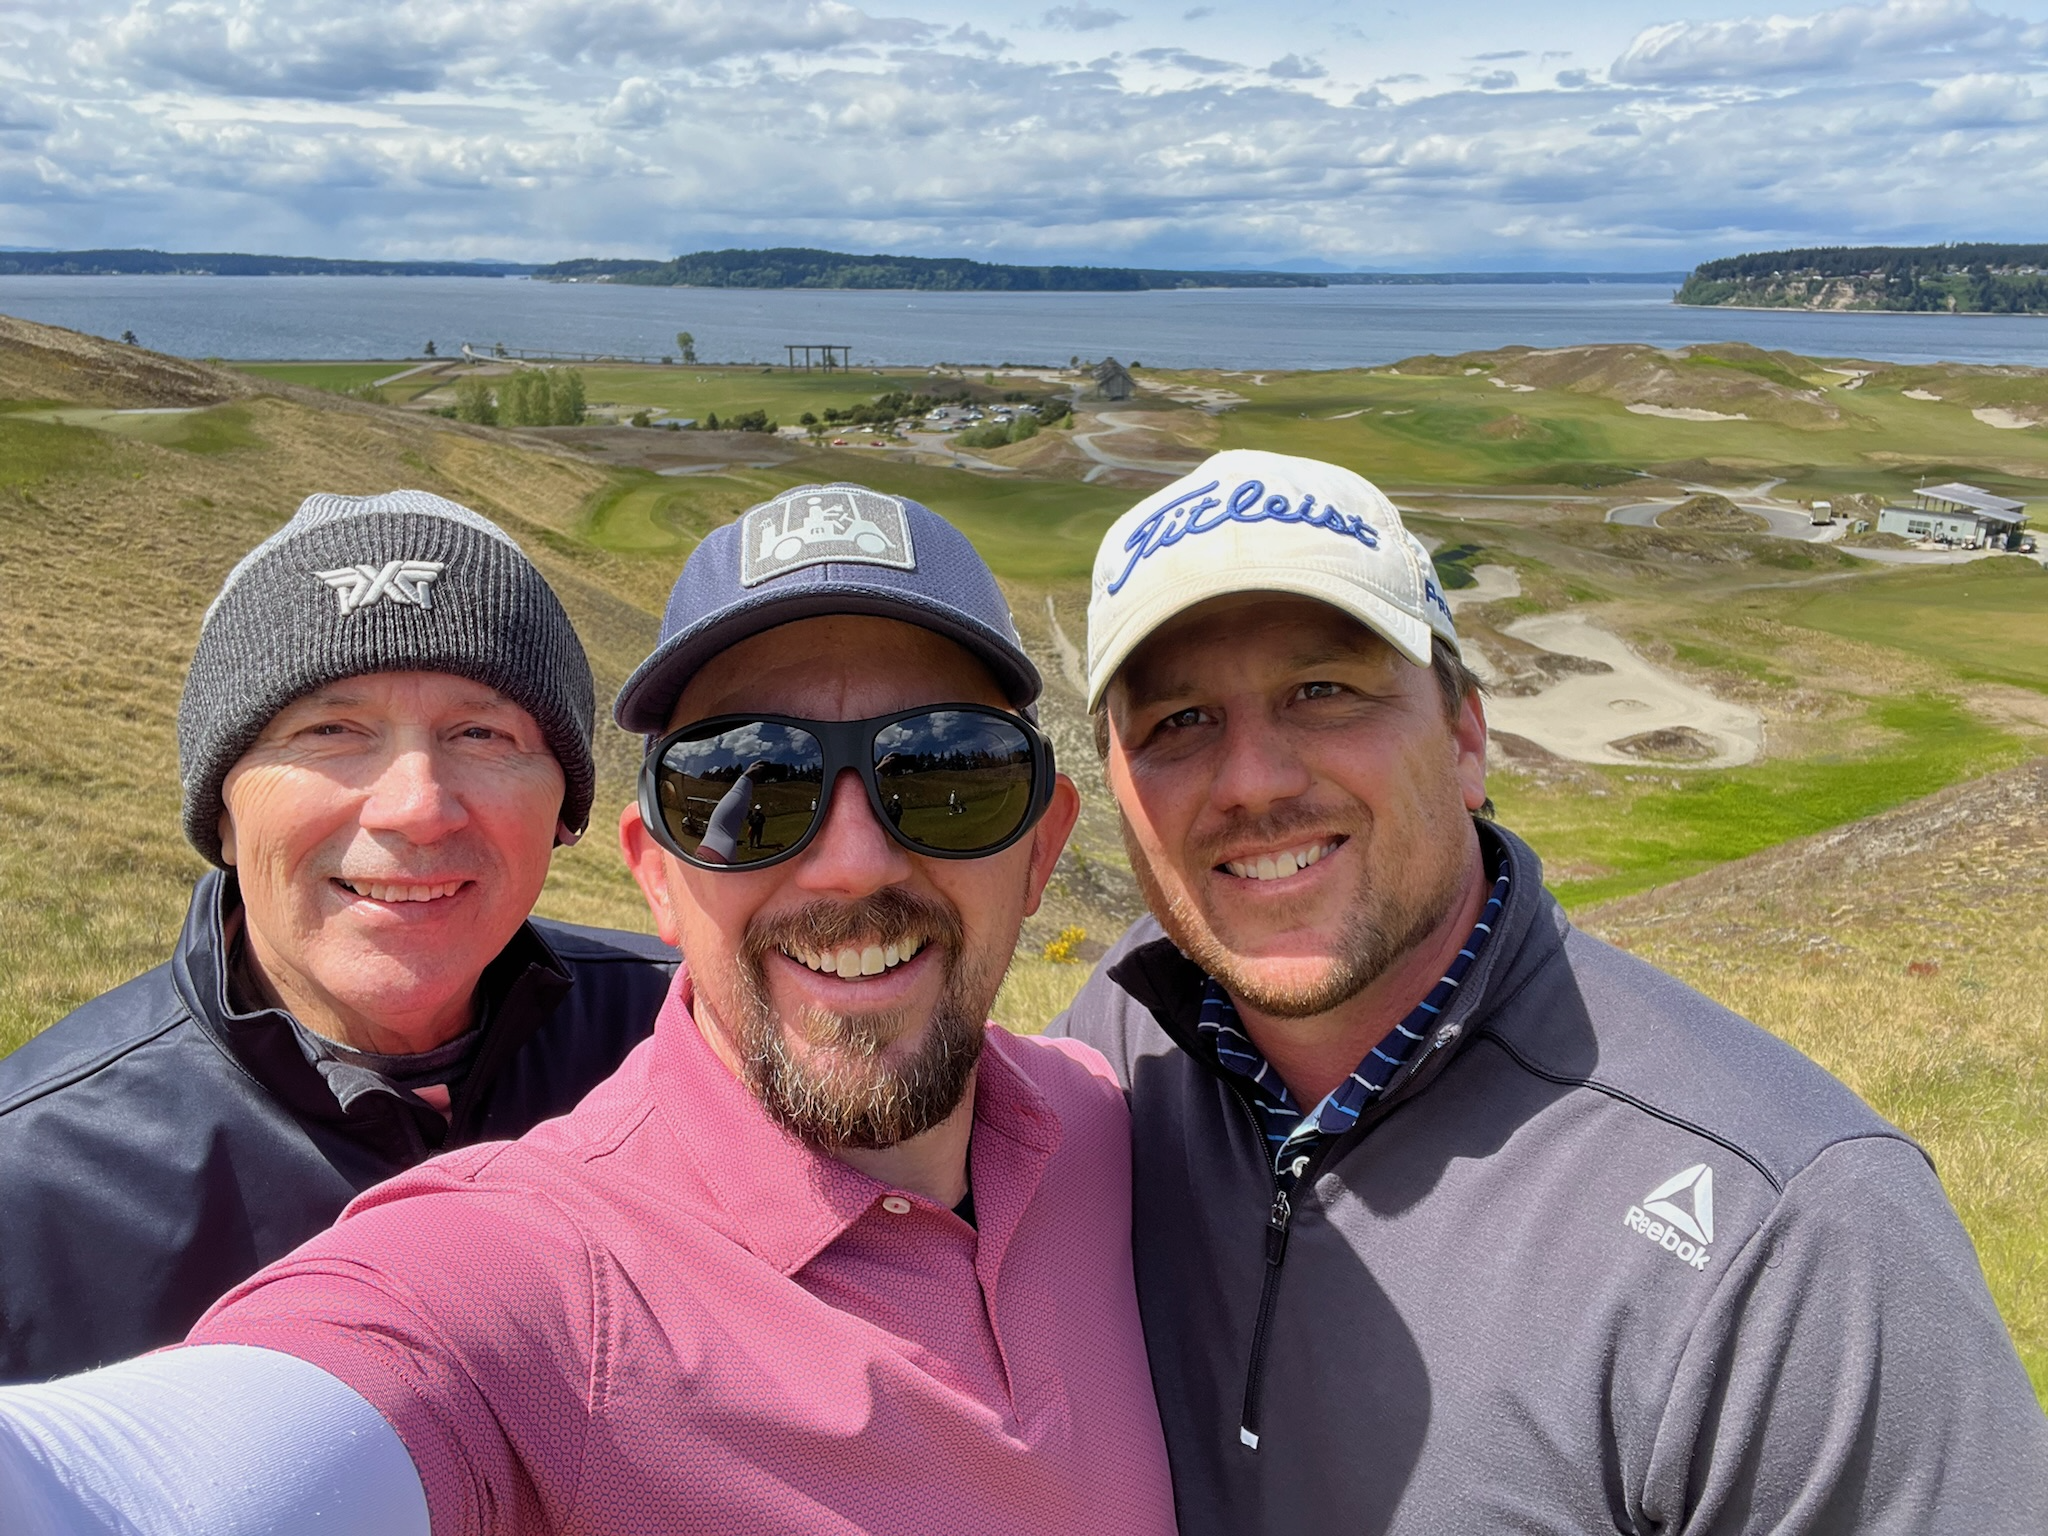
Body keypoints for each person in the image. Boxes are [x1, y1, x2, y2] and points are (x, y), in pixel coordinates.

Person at [0, 483, 1177, 1536]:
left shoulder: (1114, 1119)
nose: (851, 861)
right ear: (655, 874)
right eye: (746, 782)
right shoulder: (525, 1276)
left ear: (1042, 849)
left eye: (946, 769)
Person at [1049, 449, 2048, 1532]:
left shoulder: (1794, 1238)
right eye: (1177, 723)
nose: (1253, 780)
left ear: (1464, 740)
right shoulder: (1106, 1048)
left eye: (1323, 691)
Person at [0, 490, 675, 1384]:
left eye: (481, 732)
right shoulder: (30, 1183)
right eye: (330, 730)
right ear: (223, 815)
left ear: (562, 809)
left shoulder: (693, 1040)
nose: (417, 807)